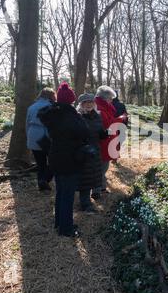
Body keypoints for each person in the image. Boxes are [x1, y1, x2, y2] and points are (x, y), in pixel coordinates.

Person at [38, 82, 90, 237]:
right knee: (67, 195)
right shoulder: (72, 117)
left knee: (60, 192)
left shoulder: (53, 114)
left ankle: (59, 222)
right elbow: (84, 134)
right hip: (70, 159)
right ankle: (66, 229)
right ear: (71, 100)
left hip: (55, 158)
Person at [76, 93, 108, 212]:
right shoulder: (78, 117)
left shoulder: (97, 116)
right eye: (86, 103)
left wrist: (105, 133)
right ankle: (85, 204)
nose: (88, 104)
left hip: (95, 151)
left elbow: (99, 132)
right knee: (85, 178)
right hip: (84, 152)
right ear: (81, 105)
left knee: (94, 175)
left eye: (90, 102)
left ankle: (94, 194)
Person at [93, 86, 125, 198]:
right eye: (110, 98)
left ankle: (101, 187)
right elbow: (108, 125)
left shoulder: (105, 107)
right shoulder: (100, 109)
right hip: (103, 141)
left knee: (104, 165)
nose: (112, 100)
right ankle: (96, 190)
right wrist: (120, 119)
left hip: (108, 140)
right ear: (105, 98)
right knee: (102, 166)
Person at [26, 88, 56, 191]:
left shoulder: (31, 107)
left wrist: (28, 137)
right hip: (46, 136)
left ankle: (41, 184)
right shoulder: (51, 107)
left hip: (32, 135)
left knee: (40, 163)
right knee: (54, 161)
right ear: (51, 96)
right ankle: (45, 180)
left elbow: (27, 124)